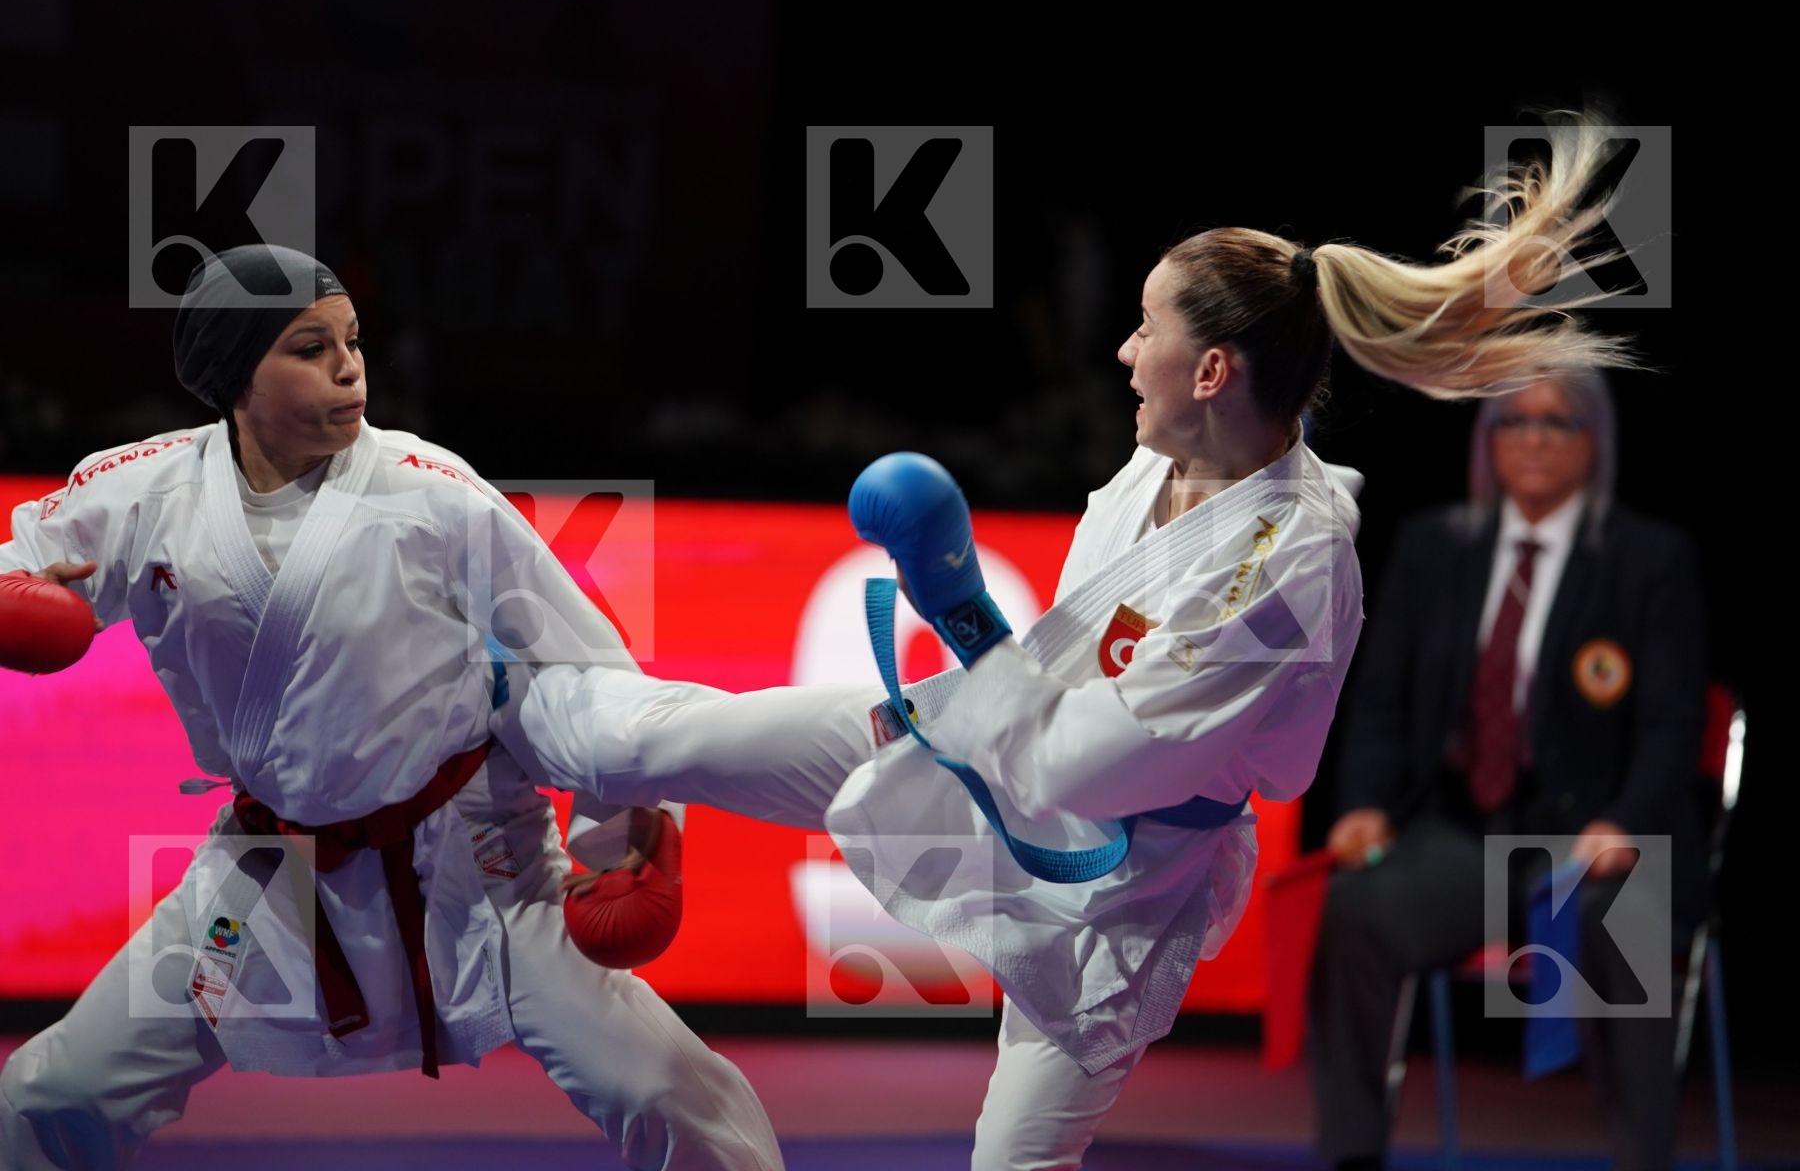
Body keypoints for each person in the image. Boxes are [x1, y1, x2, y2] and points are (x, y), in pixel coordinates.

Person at [507, 111, 1655, 1169]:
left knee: (1013, 1160)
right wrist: (953, 682)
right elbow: (1048, 700)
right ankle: (490, 706)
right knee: (676, 733)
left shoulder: (1288, 576)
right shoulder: (1165, 456)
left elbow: (1076, 766)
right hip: (983, 761)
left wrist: (958, 602)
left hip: (1117, 892)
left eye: (1145, 328)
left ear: (1211, 372)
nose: (1120, 350)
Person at [0, 244, 784, 1170]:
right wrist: (16, 594)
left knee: (670, 1093)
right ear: (232, 378)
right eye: (308, 347)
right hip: (268, 868)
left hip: (482, 862)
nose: (348, 366)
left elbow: (585, 665)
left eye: (353, 340)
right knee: (55, 1092)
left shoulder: (430, 494)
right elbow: (28, 552)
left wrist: (620, 844)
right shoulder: (148, 490)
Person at [1310, 371, 1708, 1171]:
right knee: (1356, 908)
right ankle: (1350, 1155)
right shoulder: (1433, 547)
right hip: (1464, 834)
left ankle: (1643, 1159)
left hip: (1595, 839)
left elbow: (1672, 727)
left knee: (1616, 918)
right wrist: (1363, 806)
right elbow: (1381, 701)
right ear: (1486, 440)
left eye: (1557, 422)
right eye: (1513, 422)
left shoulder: (1648, 560)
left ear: (1595, 440)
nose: (1533, 438)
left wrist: (1625, 823)